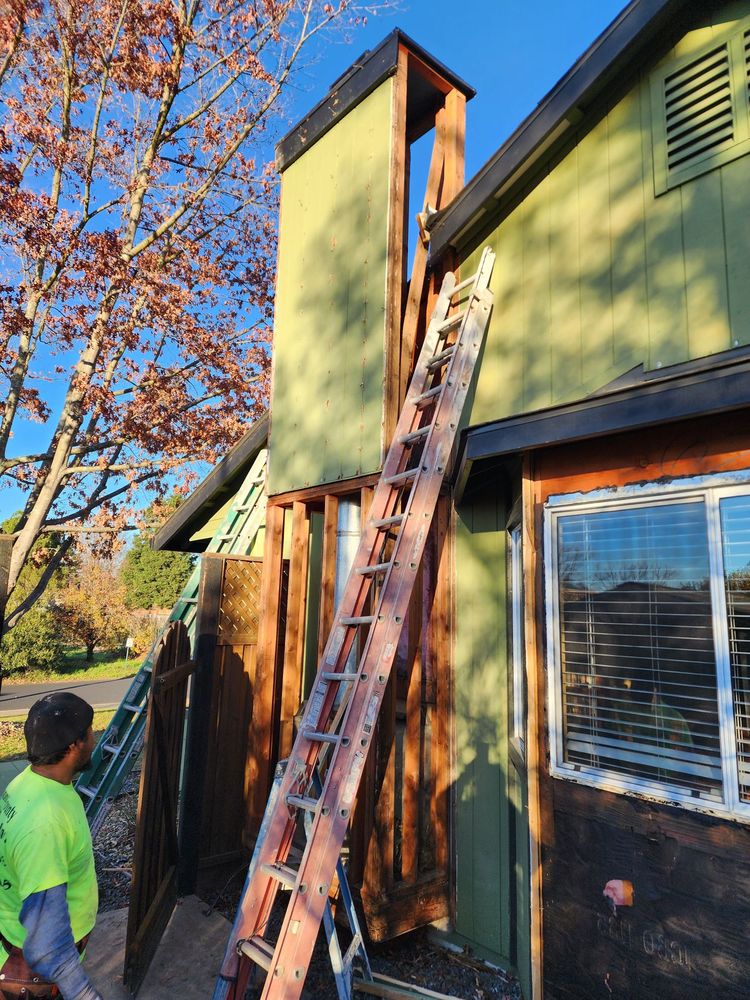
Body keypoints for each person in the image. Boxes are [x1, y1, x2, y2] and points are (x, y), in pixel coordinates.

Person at [0, 693, 102, 999]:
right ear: (73, 746)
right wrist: (82, 993)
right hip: (35, 975)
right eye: (89, 733)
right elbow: (46, 943)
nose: (94, 740)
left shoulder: (28, 782)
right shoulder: (46, 823)